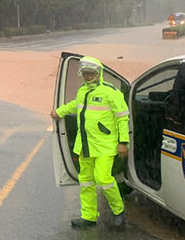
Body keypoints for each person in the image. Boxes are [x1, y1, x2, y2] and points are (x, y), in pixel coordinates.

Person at [50, 56, 130, 229]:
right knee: (85, 181)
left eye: (91, 73)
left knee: (103, 179)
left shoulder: (111, 92)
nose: (87, 76)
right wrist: (59, 112)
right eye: (85, 73)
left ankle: (119, 212)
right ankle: (89, 217)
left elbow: (123, 118)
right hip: (85, 145)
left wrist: (123, 142)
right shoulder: (82, 91)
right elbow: (75, 105)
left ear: (98, 73)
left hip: (104, 146)